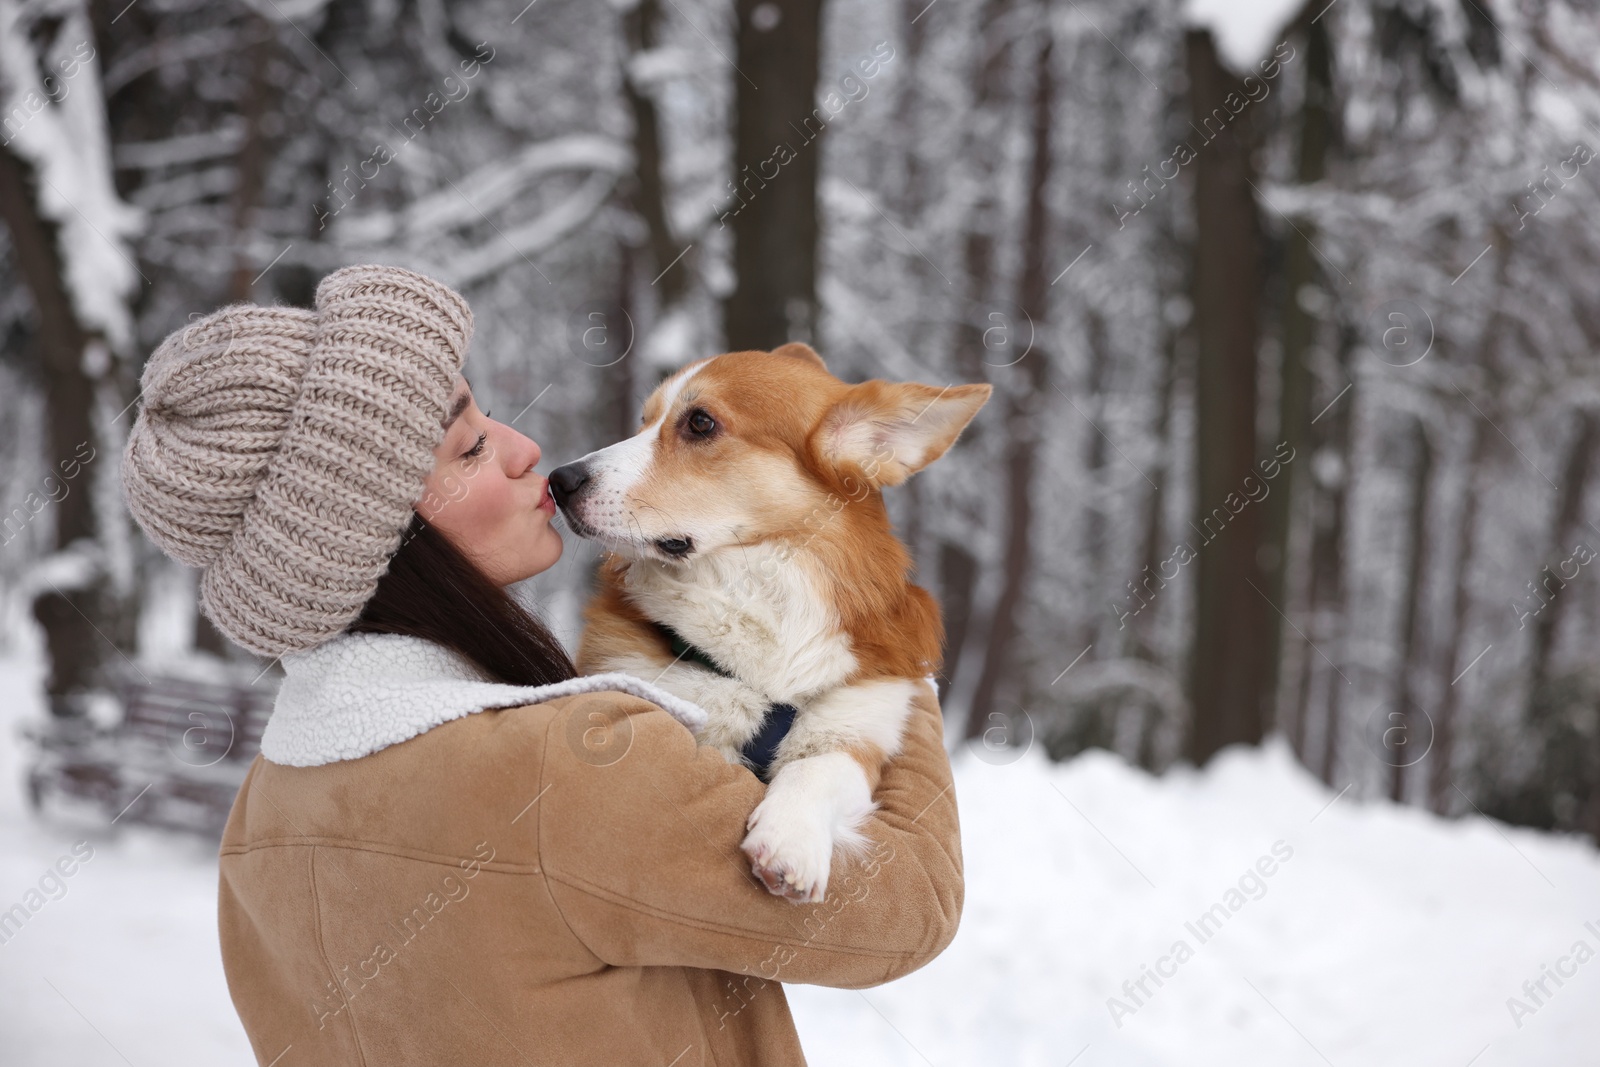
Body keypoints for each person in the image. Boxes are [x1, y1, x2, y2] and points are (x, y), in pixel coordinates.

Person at [120, 264, 964, 1066]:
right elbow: (909, 908)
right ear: (378, 538)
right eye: (469, 448)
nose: (527, 448)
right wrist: (886, 652)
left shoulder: (260, 819)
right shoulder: (574, 768)